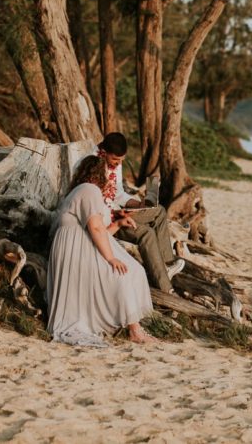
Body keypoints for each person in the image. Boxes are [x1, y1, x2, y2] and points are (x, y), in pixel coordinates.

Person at [46, 155, 155, 346]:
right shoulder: (89, 190)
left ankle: (129, 323)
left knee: (132, 269)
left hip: (77, 248)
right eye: (106, 173)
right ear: (98, 174)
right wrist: (111, 259)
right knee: (121, 273)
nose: (108, 177)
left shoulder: (79, 191)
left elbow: (100, 232)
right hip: (75, 252)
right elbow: (96, 229)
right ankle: (134, 331)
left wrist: (119, 223)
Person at [95, 132, 184, 293]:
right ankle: (166, 288)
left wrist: (139, 204)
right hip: (105, 218)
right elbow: (92, 201)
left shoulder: (115, 162)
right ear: (104, 151)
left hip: (118, 210)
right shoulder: (92, 163)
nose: (118, 163)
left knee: (159, 211)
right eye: (115, 160)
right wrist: (118, 214)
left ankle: (167, 263)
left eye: (121, 160)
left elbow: (119, 193)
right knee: (146, 233)